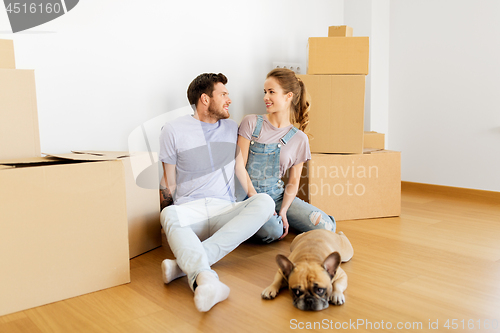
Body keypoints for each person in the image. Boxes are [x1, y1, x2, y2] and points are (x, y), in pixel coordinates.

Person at [159, 73, 275, 312]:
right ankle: (207, 280)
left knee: (265, 202)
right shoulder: (172, 130)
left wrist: (254, 197)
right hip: (190, 211)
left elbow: (239, 167)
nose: (229, 100)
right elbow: (168, 180)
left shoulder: (231, 127)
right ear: (204, 99)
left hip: (224, 209)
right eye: (223, 94)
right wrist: (163, 214)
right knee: (169, 215)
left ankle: (187, 267)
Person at [237, 68, 336, 243]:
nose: (265, 97)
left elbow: (293, 181)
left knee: (326, 226)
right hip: (248, 196)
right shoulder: (251, 123)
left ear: (288, 96)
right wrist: (255, 197)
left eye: (271, 92)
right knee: (273, 231)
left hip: (276, 196)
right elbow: (239, 166)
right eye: (265, 92)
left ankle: (277, 219)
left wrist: (283, 210)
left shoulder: (299, 139)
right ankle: (258, 222)